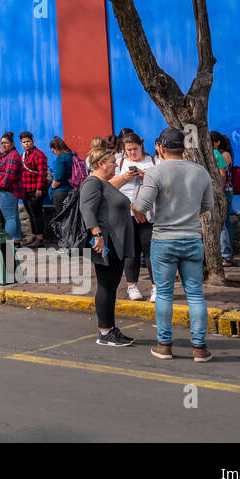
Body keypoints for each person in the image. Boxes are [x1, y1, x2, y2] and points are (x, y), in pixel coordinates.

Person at [133, 127, 216, 363]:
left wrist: (138, 209)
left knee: (165, 295)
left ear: (160, 148)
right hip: (191, 238)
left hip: (164, 240)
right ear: (185, 148)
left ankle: (164, 345)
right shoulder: (200, 172)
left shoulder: (155, 173)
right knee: (195, 294)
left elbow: (141, 205)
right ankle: (200, 348)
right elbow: (208, 205)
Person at [80, 145, 136, 347]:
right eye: (112, 162)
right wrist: (97, 235)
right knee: (105, 286)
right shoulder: (92, 183)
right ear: (100, 164)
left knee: (111, 286)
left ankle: (110, 328)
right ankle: (104, 332)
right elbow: (86, 209)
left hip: (115, 242)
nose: (115, 165)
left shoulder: (105, 183)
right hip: (106, 242)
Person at [110, 133, 155, 301]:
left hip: (148, 214)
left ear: (141, 146)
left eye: (135, 149)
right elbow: (108, 185)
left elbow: (162, 185)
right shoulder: (120, 162)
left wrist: (146, 176)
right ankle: (132, 286)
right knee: (131, 251)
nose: (132, 153)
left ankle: (155, 287)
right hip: (126, 213)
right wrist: (124, 177)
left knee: (150, 251)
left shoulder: (153, 162)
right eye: (128, 150)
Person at [20, 131, 49, 248]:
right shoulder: (24, 155)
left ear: (32, 141)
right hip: (25, 189)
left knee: (37, 214)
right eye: (24, 142)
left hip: (35, 190)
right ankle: (33, 236)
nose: (26, 144)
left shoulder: (38, 154)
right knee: (31, 214)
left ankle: (40, 238)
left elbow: (42, 173)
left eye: (28, 141)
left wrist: (39, 188)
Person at [211, 130, 236, 265]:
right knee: (225, 222)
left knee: (222, 223)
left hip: (223, 191)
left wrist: (219, 190)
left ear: (217, 142)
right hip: (227, 190)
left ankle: (226, 254)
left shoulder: (218, 154)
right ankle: (228, 253)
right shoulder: (225, 154)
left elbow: (222, 175)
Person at [0, 132, 24, 242]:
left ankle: (8, 241)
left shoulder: (12, 155)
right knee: (14, 216)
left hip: (7, 190)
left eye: (6, 143)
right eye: (2, 143)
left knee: (9, 217)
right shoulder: (6, 155)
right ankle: (16, 240)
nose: (3, 145)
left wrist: (0, 186)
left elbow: (9, 175)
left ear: (12, 144)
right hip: (10, 191)